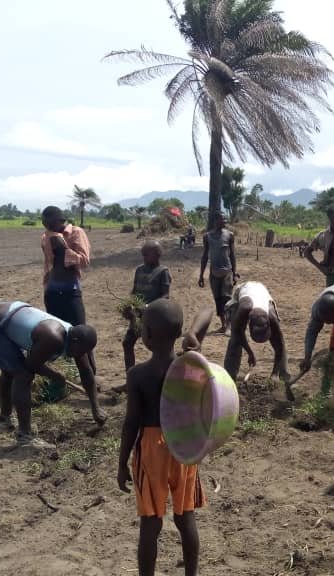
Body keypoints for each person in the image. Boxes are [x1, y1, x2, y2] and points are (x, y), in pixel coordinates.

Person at [117, 301, 214, 576]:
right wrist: (193, 335)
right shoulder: (190, 368)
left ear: (146, 335)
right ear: (178, 332)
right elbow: (207, 309)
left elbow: (131, 424)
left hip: (151, 449)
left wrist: (122, 463)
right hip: (185, 444)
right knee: (186, 517)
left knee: (151, 522)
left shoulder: (137, 375)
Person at [0, 300, 106, 449]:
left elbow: (86, 372)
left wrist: (95, 407)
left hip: (6, 314)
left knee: (11, 369)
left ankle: (3, 421)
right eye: (81, 351)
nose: (81, 355)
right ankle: (25, 436)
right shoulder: (53, 338)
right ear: (75, 341)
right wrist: (54, 374)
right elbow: (31, 366)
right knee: (22, 374)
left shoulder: (77, 339)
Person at [41, 206, 94, 371]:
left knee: (80, 333)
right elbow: (49, 263)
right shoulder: (46, 236)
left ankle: (91, 373)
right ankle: (67, 373)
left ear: (60, 220)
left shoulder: (76, 233)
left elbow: (84, 261)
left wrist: (64, 248)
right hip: (52, 290)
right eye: (45, 225)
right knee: (56, 333)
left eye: (50, 224)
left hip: (71, 290)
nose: (47, 228)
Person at [224, 281, 291, 390]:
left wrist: (274, 374)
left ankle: (284, 378)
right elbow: (238, 332)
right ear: (249, 324)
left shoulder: (272, 318)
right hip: (245, 289)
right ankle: (229, 378)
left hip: (261, 290)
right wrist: (250, 352)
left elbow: (280, 346)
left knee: (279, 343)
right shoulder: (243, 309)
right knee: (235, 340)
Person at [122, 240, 173, 371]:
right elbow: (134, 291)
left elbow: (165, 295)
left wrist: (147, 307)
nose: (143, 257)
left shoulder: (163, 272)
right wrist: (130, 304)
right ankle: (130, 376)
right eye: (142, 254)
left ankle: (161, 377)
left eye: (146, 255)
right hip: (138, 316)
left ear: (157, 255)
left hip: (154, 316)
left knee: (157, 348)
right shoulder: (139, 270)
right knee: (127, 343)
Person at [198, 213, 238, 334]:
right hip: (214, 273)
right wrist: (201, 275)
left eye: (225, 219)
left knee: (227, 299)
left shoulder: (229, 235)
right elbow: (205, 256)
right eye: (222, 219)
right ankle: (223, 324)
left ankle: (229, 326)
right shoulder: (207, 237)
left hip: (227, 272)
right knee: (218, 300)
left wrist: (234, 272)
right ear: (215, 221)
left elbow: (232, 255)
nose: (225, 221)